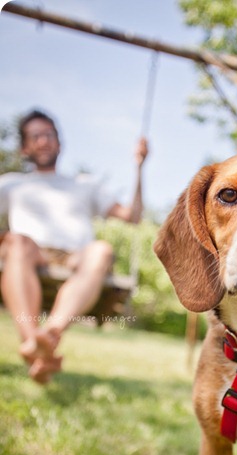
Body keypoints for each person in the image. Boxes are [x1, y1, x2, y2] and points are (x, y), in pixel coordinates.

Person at [0, 109, 148, 384]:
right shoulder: (11, 184)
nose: (43, 141)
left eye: (48, 135)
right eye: (35, 137)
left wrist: (139, 166)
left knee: (101, 249)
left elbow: (133, 217)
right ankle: (35, 342)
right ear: (24, 147)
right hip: (30, 254)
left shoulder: (84, 184)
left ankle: (48, 335)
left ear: (59, 142)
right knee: (16, 242)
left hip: (76, 259)